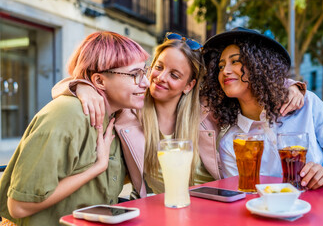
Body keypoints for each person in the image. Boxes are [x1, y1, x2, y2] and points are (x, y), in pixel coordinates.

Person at [52, 32, 305, 198]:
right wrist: (81, 87)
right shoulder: (129, 109)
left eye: (174, 75)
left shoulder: (210, 108)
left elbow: (250, 86)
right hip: (161, 209)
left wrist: (292, 85)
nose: (160, 78)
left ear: (189, 85)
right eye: (158, 67)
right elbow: (61, 87)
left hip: (217, 206)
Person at [0, 31, 150, 225]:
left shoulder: (118, 117)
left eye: (144, 72)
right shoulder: (67, 115)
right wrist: (97, 167)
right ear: (99, 81)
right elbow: (19, 206)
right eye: (134, 75)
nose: (146, 83)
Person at [201, 27, 323, 189]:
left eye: (235, 61)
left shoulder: (307, 105)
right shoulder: (231, 143)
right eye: (221, 66)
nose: (225, 71)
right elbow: (241, 196)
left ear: (258, 65)